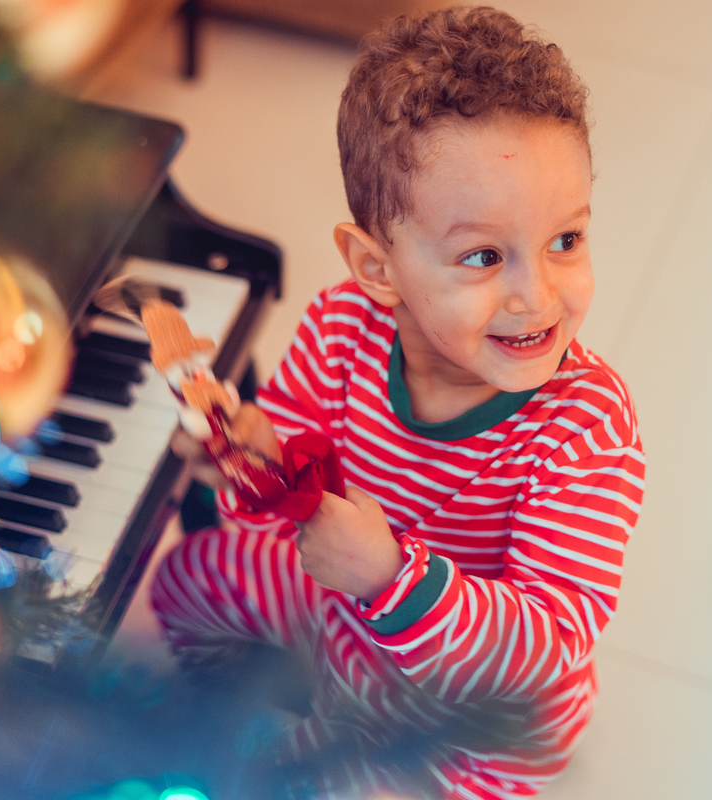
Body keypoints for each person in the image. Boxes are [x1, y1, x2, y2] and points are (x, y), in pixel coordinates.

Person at [152, 7, 646, 799]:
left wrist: (392, 579)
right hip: (345, 615)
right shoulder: (342, 325)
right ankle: (248, 719)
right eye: (484, 256)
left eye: (566, 240)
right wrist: (246, 459)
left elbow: (545, 652)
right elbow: (284, 490)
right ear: (377, 269)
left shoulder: (587, 428)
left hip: (471, 720)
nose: (538, 295)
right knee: (188, 577)